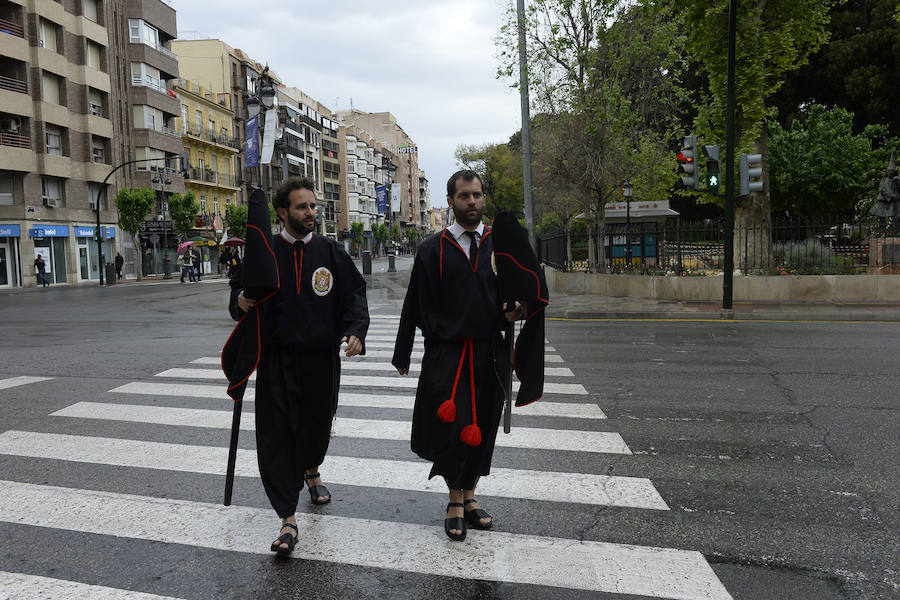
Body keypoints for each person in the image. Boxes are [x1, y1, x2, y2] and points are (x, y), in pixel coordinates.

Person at [228, 177, 369, 555]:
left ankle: (312, 470)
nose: (311, 213)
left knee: (315, 427)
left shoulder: (330, 251)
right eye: (303, 207)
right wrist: (240, 301)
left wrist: (356, 331)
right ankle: (287, 518)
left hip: (321, 360)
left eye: (313, 206)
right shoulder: (264, 253)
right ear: (282, 212)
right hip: (276, 361)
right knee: (276, 437)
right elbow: (237, 297)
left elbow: (354, 294)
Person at [392, 170, 523, 542]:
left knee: (482, 428)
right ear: (450, 201)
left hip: (490, 352)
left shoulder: (501, 246)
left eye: (477, 195)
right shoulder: (432, 248)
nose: (472, 202)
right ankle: (454, 500)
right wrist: (403, 352)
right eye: (464, 196)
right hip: (448, 353)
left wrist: (518, 310)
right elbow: (414, 302)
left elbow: (521, 293)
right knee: (453, 428)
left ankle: (471, 495)